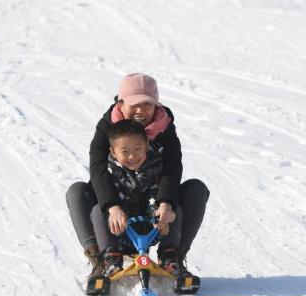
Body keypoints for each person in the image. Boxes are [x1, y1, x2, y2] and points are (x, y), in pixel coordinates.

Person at [66, 72, 209, 278]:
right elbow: (97, 168)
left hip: (152, 209)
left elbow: (172, 167)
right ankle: (102, 258)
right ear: (121, 103)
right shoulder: (107, 126)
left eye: (147, 104)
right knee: (77, 191)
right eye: (134, 104)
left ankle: (172, 257)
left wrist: (166, 203)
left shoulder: (164, 126)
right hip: (116, 212)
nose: (140, 110)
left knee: (196, 188)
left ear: (157, 105)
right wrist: (112, 206)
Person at [95, 119, 184, 276]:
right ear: (113, 152)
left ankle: (170, 258)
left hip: (147, 231)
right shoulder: (109, 173)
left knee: (172, 208)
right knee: (99, 209)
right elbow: (108, 196)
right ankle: (110, 259)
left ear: (147, 147)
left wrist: (159, 219)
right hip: (119, 229)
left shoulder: (155, 169)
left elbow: (154, 195)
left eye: (138, 149)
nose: (132, 156)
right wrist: (114, 211)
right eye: (125, 152)